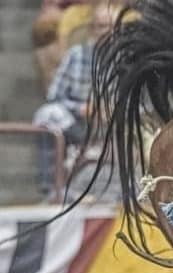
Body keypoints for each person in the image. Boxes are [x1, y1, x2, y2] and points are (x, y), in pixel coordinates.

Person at [33, 3, 121, 199]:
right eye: (100, 26)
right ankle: (50, 186)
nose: (105, 32)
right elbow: (55, 95)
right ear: (92, 29)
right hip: (78, 123)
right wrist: (82, 108)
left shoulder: (127, 59)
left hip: (116, 124)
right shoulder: (76, 55)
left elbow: (143, 103)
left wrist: (114, 110)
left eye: (109, 27)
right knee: (46, 114)